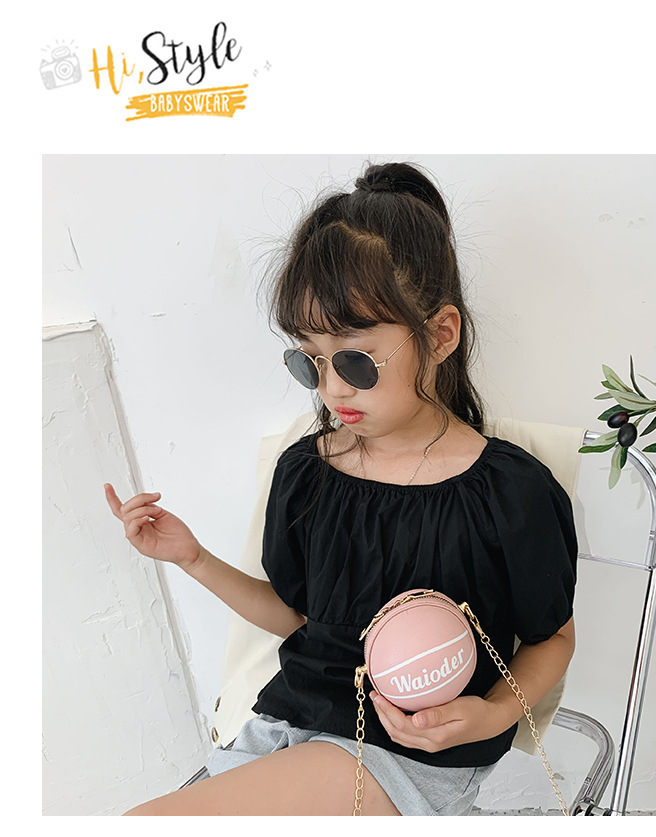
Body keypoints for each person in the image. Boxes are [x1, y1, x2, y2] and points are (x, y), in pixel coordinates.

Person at [104, 161, 577, 816]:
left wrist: (493, 714)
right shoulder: (307, 472)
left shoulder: (508, 493)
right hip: (287, 724)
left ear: (440, 334)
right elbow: (300, 618)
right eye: (310, 361)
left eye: (355, 359)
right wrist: (192, 558)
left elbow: (552, 638)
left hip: (407, 753)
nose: (330, 388)